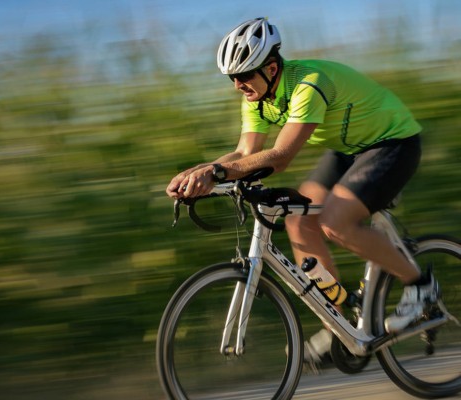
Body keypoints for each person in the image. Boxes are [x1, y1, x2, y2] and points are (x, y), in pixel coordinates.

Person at [165, 17, 438, 367]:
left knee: (335, 222)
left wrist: (217, 172)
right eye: (232, 78)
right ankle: (337, 327)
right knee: (298, 220)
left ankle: (420, 285)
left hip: (393, 142)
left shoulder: (309, 83)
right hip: (349, 148)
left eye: (244, 75)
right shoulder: (257, 97)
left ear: (272, 68)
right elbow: (245, 154)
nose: (237, 85)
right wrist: (198, 173)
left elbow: (279, 157)